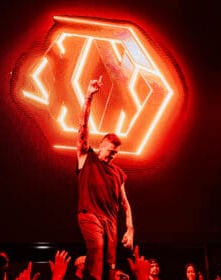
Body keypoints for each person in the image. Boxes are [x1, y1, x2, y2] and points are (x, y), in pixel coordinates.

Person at [76, 76, 134, 280]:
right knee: (97, 248)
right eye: (110, 151)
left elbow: (125, 203)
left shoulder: (118, 173)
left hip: (111, 222)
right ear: (100, 146)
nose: (113, 155)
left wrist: (130, 228)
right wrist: (88, 96)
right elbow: (83, 129)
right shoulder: (87, 158)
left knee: (110, 267)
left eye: (116, 153)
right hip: (90, 215)